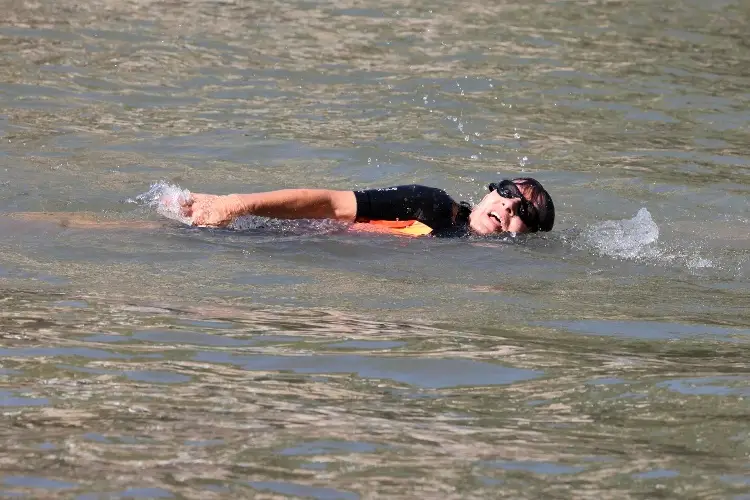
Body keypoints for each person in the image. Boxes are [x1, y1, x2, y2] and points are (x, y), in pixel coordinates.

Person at [179, 177, 555, 237]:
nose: (509, 206)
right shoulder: (432, 206)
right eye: (507, 192)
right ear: (489, 192)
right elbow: (331, 203)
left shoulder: (481, 256)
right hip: (272, 236)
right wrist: (236, 205)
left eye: (524, 212)